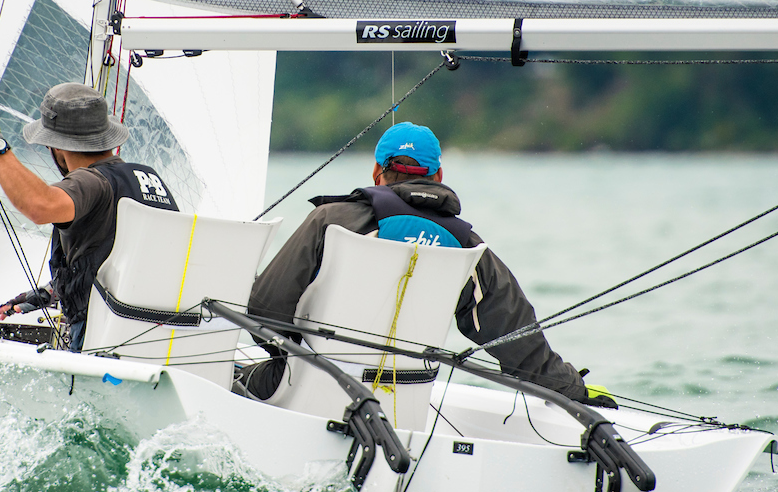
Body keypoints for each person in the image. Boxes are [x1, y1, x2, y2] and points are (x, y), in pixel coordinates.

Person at [242, 121, 613, 407]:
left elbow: (264, 308)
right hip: (404, 400)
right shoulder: (468, 246)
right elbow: (516, 341)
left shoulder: (331, 219)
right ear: (438, 176)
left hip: (309, 382)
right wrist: (573, 389)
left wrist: (289, 353)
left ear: (376, 173)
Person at [0, 82, 179, 351]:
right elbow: (127, 266)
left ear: (56, 147)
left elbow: (39, 205)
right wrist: (51, 291)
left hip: (103, 341)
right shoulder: (149, 179)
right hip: (158, 339)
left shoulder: (91, 182)